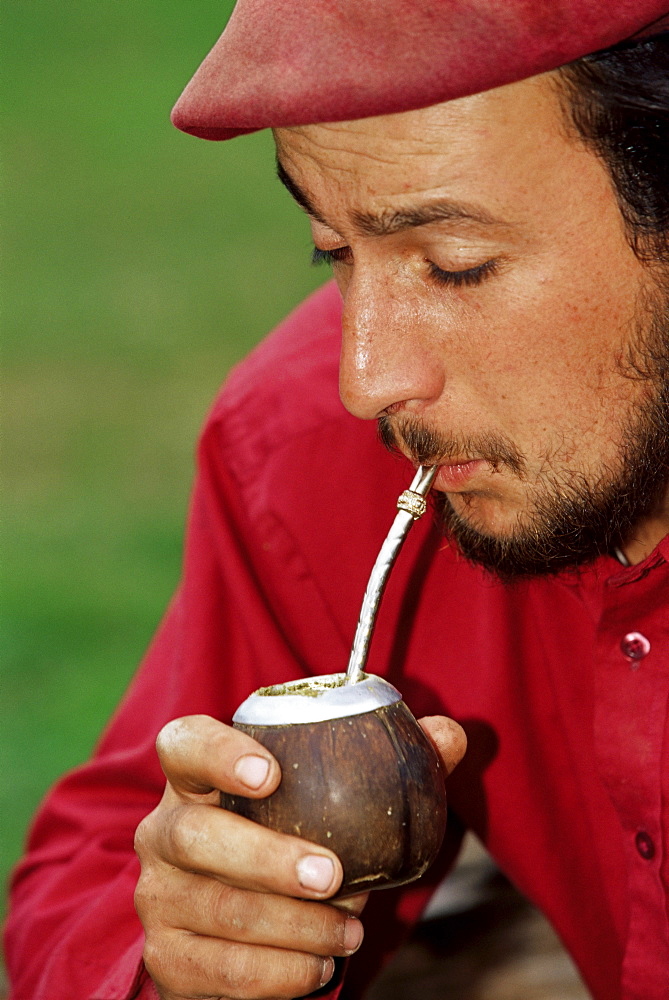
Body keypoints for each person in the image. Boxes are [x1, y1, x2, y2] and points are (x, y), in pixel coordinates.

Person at [5, 3, 669, 999]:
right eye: (333, 249)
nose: (368, 379)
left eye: (456, 264)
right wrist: (199, 941)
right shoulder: (315, 453)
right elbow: (98, 871)